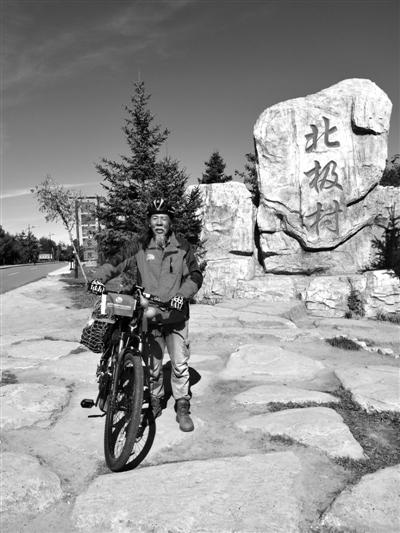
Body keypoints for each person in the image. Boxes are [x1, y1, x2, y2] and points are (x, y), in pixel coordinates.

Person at [88, 198, 203, 432]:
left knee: (179, 365)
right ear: (149, 222)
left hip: (176, 316)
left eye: (164, 218)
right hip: (149, 316)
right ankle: (157, 401)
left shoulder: (182, 246)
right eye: (155, 218)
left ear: (170, 222)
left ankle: (182, 406)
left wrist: (182, 295)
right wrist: (98, 279)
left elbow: (195, 275)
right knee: (153, 367)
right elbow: (115, 262)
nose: (159, 223)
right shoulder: (139, 245)